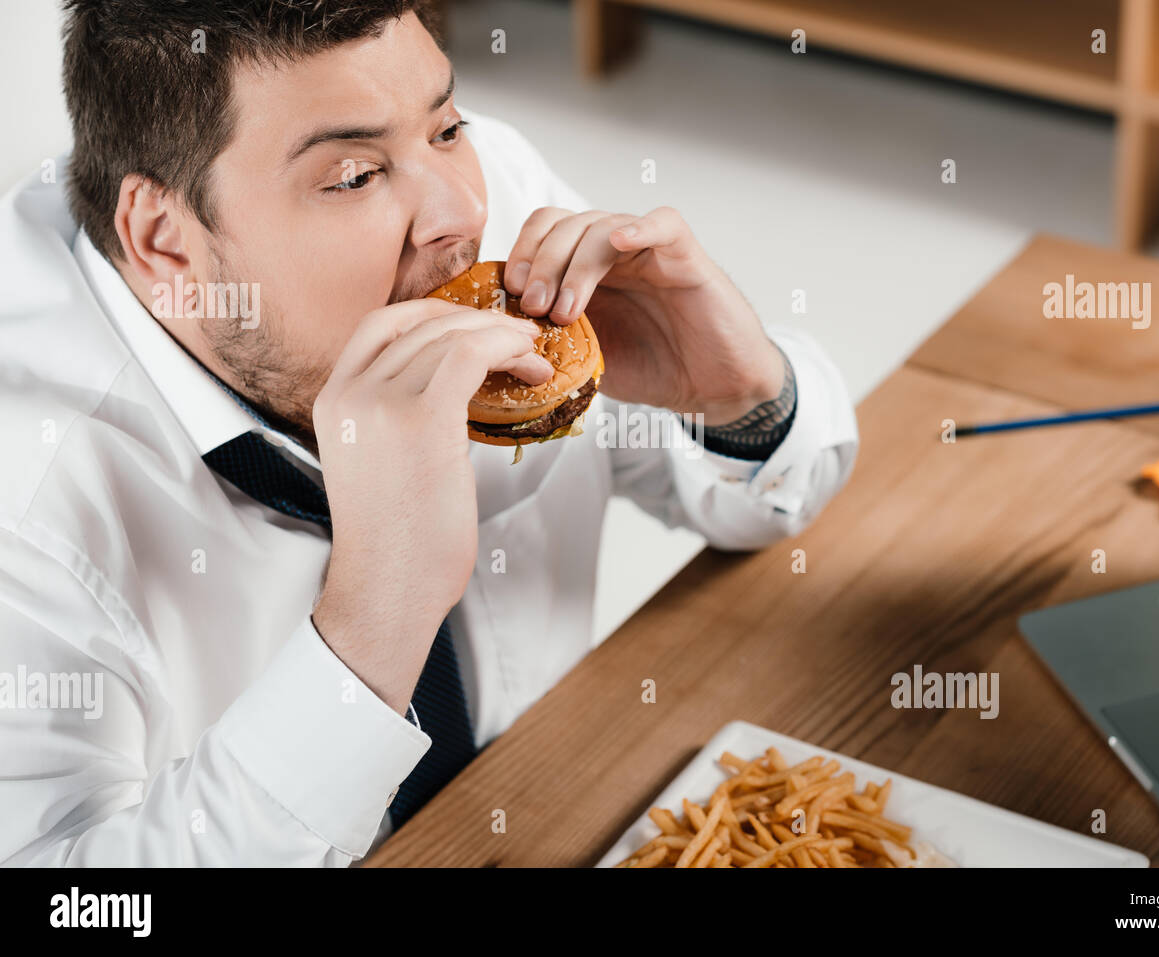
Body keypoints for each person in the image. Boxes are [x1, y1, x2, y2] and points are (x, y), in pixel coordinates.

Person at [0, 0, 860, 865]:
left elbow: (775, 502)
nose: (462, 211)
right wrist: (372, 625)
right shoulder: (27, 503)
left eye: (447, 127)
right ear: (164, 241)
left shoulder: (492, 212)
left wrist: (740, 400)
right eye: (353, 177)